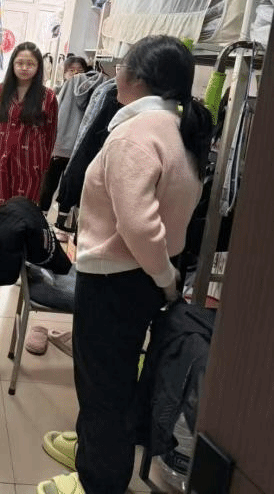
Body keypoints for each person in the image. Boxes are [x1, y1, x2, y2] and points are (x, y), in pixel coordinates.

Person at [38, 35, 213, 494]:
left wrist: (165, 277)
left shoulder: (136, 135)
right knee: (113, 377)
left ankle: (97, 480)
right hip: (141, 278)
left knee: (102, 386)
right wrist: (164, 276)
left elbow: (139, 226)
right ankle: (92, 448)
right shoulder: (175, 128)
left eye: (121, 67)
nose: (115, 74)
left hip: (118, 279)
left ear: (138, 77)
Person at [0, 41, 58, 212]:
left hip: (30, 164)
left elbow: (50, 134)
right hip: (1, 161)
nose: (24, 68)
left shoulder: (48, 97)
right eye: (20, 63)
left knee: (23, 213)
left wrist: (43, 165)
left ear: (38, 67)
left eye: (30, 64)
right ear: (12, 65)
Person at [39, 66, 107, 216]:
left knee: (50, 182)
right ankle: (62, 220)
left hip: (62, 142)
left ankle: (42, 215)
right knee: (73, 184)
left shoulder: (71, 83)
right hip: (83, 147)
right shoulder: (104, 86)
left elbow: (59, 110)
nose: (74, 72)